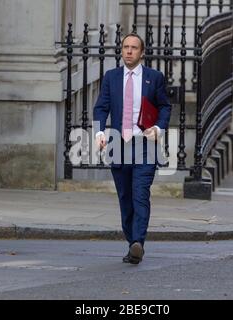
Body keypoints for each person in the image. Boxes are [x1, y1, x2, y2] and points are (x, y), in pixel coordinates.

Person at [93, 33, 172, 264]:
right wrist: (99, 133)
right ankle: (132, 244)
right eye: (125, 47)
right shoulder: (111, 77)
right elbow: (101, 108)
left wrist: (158, 127)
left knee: (140, 194)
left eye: (134, 48)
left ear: (142, 52)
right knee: (125, 198)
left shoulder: (154, 78)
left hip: (145, 144)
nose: (129, 51)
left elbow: (165, 107)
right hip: (118, 144)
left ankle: (139, 241)